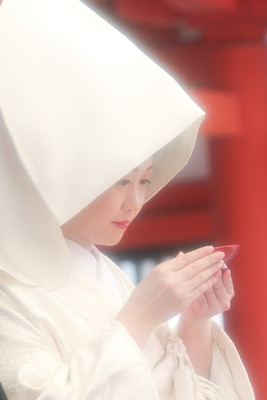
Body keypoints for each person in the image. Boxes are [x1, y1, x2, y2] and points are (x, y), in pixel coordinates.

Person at [0, 0, 254, 399]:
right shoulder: (10, 287)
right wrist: (139, 316)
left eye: (145, 180)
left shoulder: (106, 274)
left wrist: (196, 322)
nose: (136, 201)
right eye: (121, 181)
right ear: (68, 175)